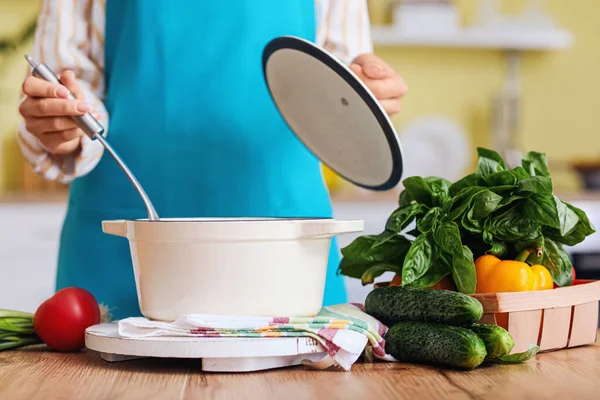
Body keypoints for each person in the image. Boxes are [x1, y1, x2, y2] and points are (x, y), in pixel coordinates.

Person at [18, 0, 407, 320]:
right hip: (126, 253)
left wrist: (365, 96)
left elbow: (336, 86)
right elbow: (73, 82)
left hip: (285, 259)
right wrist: (64, 119)